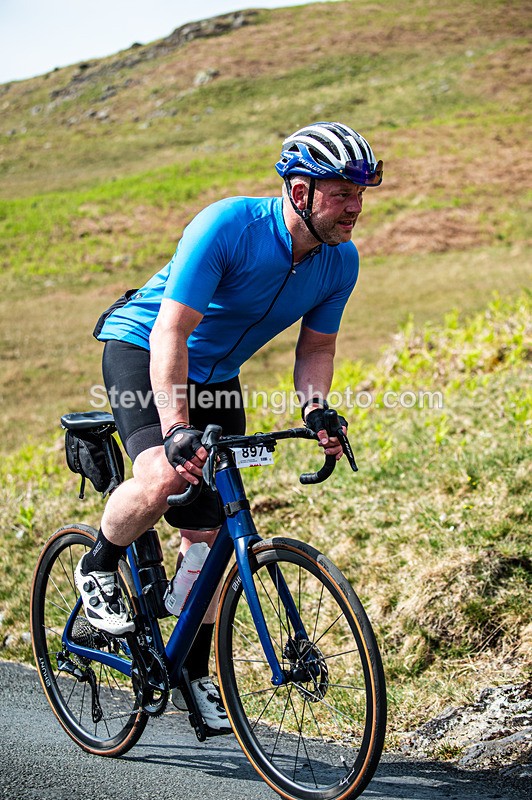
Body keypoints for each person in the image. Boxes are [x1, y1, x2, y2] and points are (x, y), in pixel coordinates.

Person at [74, 121, 383, 729]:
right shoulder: (229, 226)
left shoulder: (339, 262)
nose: (356, 208)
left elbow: (314, 348)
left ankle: (187, 665)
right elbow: (171, 331)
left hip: (217, 373)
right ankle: (98, 566)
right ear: (299, 191)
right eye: (343, 193)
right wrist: (176, 427)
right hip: (145, 349)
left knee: (212, 535)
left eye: (361, 194)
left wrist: (315, 410)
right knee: (165, 473)